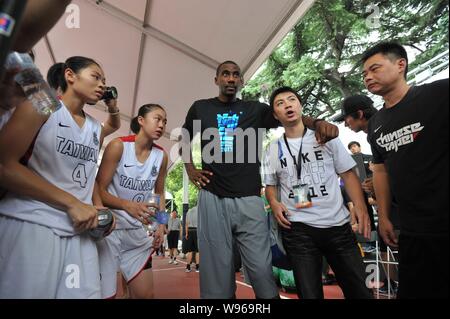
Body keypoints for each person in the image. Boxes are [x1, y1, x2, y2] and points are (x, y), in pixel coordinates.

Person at [181, 60, 339, 299]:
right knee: (216, 273)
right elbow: (184, 137)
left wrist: (317, 123)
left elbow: (290, 117)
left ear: (241, 81)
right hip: (213, 196)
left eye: (236, 74)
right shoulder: (200, 107)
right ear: (217, 80)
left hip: (250, 198)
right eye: (225, 74)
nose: (231, 78)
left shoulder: (256, 109)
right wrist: (190, 168)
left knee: (261, 270)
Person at [0, 56, 116, 298]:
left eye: (104, 80)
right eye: (96, 77)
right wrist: (72, 202)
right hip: (34, 223)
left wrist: (99, 208)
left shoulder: (95, 127)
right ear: (70, 75)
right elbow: (4, 165)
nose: (102, 84)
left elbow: (88, 176)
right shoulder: (43, 102)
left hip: (80, 231)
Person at [263, 86, 373, 299]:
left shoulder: (325, 136)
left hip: (338, 226)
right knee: (309, 294)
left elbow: (348, 174)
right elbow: (270, 185)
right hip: (298, 230)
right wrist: (274, 203)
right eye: (280, 103)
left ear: (300, 106)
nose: (287, 105)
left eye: (292, 99)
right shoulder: (272, 149)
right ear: (276, 115)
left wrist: (360, 207)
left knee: (360, 290)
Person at [361, 41, 448, 298]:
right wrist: (385, 216)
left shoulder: (439, 94)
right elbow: (381, 171)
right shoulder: (376, 123)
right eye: (364, 74)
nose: (368, 77)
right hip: (412, 229)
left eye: (374, 69)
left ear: (401, 65)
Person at [95, 103, 168, 299]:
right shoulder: (118, 146)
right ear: (141, 121)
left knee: (146, 295)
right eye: (157, 119)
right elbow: (98, 190)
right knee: (105, 295)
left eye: (165, 121)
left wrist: (161, 224)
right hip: (110, 232)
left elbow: (160, 193)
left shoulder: (161, 156)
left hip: (136, 233)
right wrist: (128, 205)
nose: (162, 125)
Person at [337, 94, 401, 294]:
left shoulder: (381, 126)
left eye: (347, 118)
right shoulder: (373, 132)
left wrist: (379, 182)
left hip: (406, 207)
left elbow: (398, 165)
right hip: (395, 206)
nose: (345, 124)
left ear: (359, 114)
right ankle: (395, 285)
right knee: (385, 246)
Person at [184, 205, 200, 272]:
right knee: (198, 251)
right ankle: (197, 267)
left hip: (190, 231)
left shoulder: (189, 211)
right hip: (197, 231)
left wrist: (187, 233)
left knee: (190, 251)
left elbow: (186, 224)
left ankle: (188, 267)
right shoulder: (200, 211)